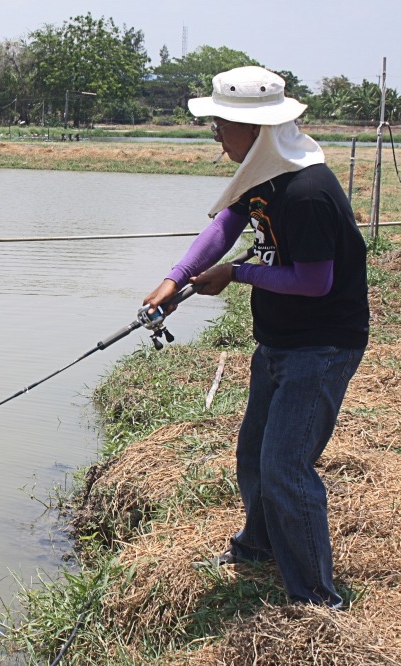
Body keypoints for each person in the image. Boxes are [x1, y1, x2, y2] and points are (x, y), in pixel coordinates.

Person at [144, 66, 369, 608]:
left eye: (221, 123)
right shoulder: (265, 173)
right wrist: (177, 277)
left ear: (254, 128)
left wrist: (236, 274)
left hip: (322, 345)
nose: (216, 133)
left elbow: (315, 283)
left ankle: (316, 600)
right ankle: (259, 547)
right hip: (280, 340)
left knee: (286, 467)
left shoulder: (307, 191)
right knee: (254, 454)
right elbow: (225, 225)